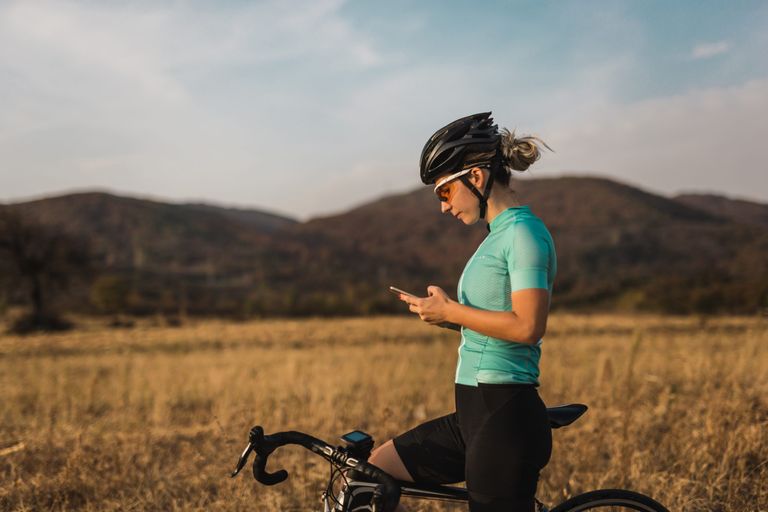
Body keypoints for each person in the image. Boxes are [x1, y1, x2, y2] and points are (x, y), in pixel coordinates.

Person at [368, 112, 557, 512]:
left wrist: (454, 309)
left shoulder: (523, 234)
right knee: (372, 473)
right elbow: (495, 327)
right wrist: (445, 316)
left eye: (444, 192)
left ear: (475, 177)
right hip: (475, 411)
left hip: (504, 413)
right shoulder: (497, 237)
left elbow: (527, 327)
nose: (443, 207)